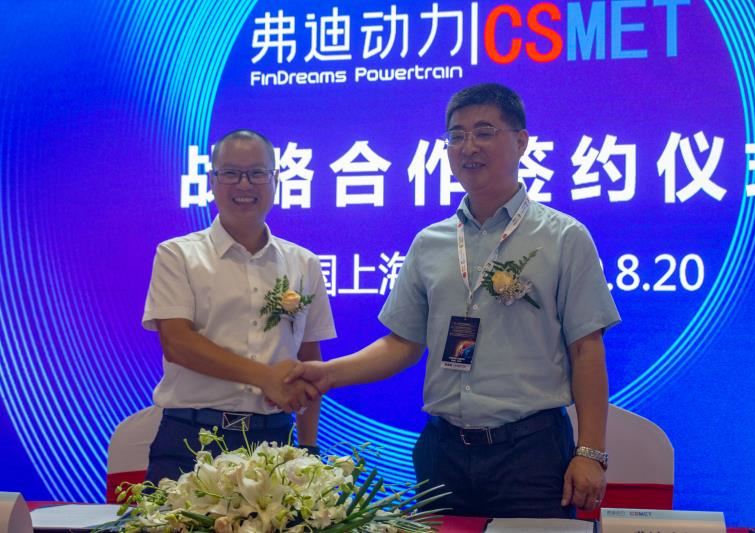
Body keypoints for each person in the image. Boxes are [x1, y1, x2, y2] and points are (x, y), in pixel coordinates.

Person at [286, 83, 620, 518]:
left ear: (521, 141)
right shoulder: (431, 242)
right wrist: (328, 374)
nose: (468, 146)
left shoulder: (564, 237)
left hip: (530, 455)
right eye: (456, 135)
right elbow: (402, 344)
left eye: (484, 132)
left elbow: (586, 350)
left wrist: (591, 452)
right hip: (442, 455)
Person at [142, 129, 335, 482]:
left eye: (257, 173)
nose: (244, 185)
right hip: (191, 439)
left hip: (273, 442)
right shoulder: (177, 254)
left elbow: (309, 361)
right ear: (212, 180)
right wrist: (265, 377)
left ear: (276, 179)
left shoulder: (303, 263)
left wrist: (308, 448)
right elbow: (177, 344)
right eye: (231, 173)